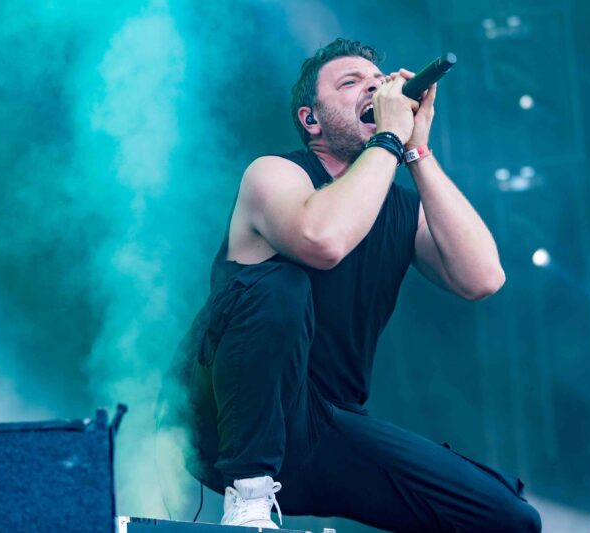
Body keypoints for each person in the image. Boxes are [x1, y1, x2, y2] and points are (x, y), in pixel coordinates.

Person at [160, 37, 541, 532]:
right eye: (350, 82)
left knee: (508, 518)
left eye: (378, 82)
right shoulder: (274, 174)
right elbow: (323, 240)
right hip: (225, 420)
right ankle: (248, 499)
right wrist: (388, 139)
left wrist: (416, 149)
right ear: (311, 120)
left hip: (325, 429)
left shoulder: (401, 206)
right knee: (281, 284)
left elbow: (482, 278)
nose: (375, 89)